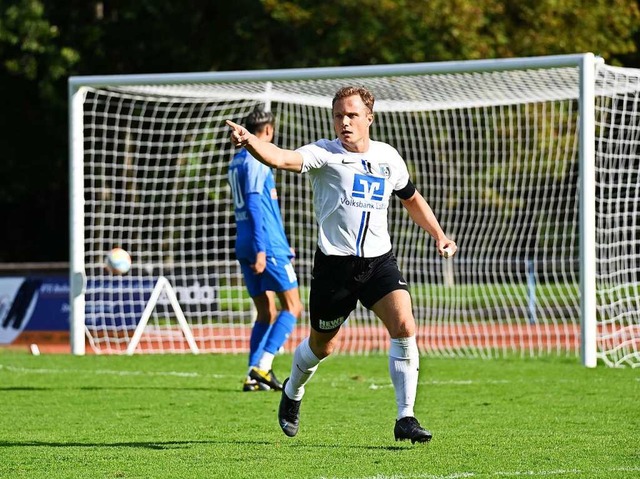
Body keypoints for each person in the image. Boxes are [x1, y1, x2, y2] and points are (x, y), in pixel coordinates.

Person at [226, 86, 457, 442]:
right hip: (335, 268)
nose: (344, 122)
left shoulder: (388, 157)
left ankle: (405, 417)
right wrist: (251, 141)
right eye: (338, 115)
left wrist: (439, 234)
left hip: (379, 262)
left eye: (351, 115)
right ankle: (292, 392)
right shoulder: (323, 152)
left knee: (404, 324)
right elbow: (282, 158)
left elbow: (410, 198)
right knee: (323, 347)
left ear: (369, 118)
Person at [227, 106, 303, 392]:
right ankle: (263, 366)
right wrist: (264, 249)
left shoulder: (236, 161)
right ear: (268, 131)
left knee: (265, 312)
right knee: (293, 306)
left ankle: (251, 374)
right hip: (264, 244)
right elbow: (257, 204)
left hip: (245, 241)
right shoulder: (257, 160)